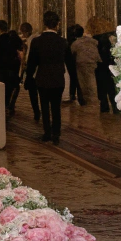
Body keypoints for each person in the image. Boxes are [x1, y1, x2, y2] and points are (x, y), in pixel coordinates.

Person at [24, 11, 76, 144]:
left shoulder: (37, 41)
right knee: (56, 107)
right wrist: (75, 85)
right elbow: (70, 64)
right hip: (58, 78)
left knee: (45, 106)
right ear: (57, 24)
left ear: (44, 24)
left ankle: (47, 132)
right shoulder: (62, 42)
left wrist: (28, 78)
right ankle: (56, 133)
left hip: (42, 78)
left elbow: (32, 63)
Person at [0, 20, 24, 114]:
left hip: (2, 69)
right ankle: (8, 105)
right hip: (11, 69)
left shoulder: (1, 40)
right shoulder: (12, 39)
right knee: (9, 89)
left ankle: (4, 106)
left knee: (3, 89)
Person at [91, 17, 118, 113]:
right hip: (110, 63)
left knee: (101, 86)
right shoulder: (110, 37)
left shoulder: (95, 38)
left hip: (100, 64)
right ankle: (114, 106)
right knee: (111, 85)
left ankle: (104, 105)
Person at [71, 23, 100, 105]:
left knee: (82, 82)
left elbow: (72, 52)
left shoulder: (75, 43)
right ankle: (93, 97)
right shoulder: (93, 41)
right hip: (93, 62)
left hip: (81, 63)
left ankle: (85, 99)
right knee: (92, 80)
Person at [18, 22, 40, 120]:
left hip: (33, 70)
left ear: (25, 32)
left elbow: (29, 58)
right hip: (40, 70)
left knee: (33, 93)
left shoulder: (32, 41)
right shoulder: (37, 38)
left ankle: (36, 112)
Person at [64, 24, 84, 105]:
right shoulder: (80, 42)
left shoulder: (70, 42)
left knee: (73, 77)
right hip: (77, 62)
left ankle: (72, 94)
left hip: (71, 61)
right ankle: (79, 96)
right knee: (77, 79)